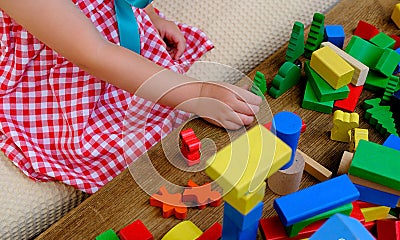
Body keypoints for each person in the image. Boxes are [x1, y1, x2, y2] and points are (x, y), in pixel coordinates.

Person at [0, 0, 262, 193]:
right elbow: (93, 54)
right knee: (123, 144)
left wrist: (148, 14)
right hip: (58, 56)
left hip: (102, 31)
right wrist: (197, 93)